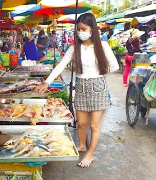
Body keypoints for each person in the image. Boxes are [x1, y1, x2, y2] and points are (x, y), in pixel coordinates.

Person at [34, 13, 119, 168]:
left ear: (92, 29)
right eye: (78, 29)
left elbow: (115, 66)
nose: (81, 32)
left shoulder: (103, 46)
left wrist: (98, 74)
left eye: (84, 28)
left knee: (94, 126)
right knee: (81, 123)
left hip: (98, 87)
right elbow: (60, 65)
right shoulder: (75, 48)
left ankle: (90, 154)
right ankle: (82, 145)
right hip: (80, 87)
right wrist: (47, 82)